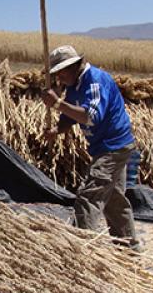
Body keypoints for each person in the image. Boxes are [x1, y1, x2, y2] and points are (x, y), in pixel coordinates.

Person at [40, 45, 139, 248]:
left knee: (88, 196)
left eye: (61, 72)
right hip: (105, 147)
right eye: (56, 73)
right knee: (114, 201)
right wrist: (56, 130)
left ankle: (83, 251)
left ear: (74, 66)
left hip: (114, 146)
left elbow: (90, 117)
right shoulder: (75, 86)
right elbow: (69, 117)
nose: (59, 77)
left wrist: (57, 103)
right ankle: (129, 249)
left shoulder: (95, 80)